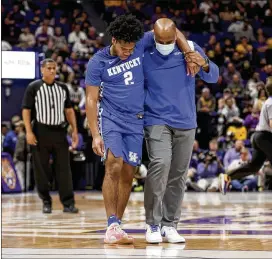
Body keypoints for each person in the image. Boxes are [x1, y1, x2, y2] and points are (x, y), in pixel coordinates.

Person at [85, 14, 199, 245]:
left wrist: (188, 52)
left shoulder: (141, 42)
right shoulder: (98, 62)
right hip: (112, 118)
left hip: (137, 119)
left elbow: (172, 31)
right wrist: (95, 134)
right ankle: (112, 223)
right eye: (125, 48)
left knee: (129, 171)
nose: (129, 51)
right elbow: (91, 99)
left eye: (132, 48)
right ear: (114, 40)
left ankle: (118, 224)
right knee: (113, 164)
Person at [143, 18, 219, 243]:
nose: (164, 44)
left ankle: (170, 224)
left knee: (178, 175)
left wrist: (203, 63)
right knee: (160, 165)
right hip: (156, 119)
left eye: (169, 39)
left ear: (177, 35)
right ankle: (153, 225)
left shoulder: (192, 48)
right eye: (160, 40)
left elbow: (213, 75)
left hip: (186, 121)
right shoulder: (145, 51)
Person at [22, 58, 79, 214]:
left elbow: (69, 111)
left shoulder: (62, 88)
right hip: (41, 131)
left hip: (59, 132)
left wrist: (74, 130)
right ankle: (46, 201)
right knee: (42, 169)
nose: (52, 71)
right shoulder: (33, 87)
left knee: (64, 169)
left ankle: (68, 203)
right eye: (49, 68)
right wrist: (28, 131)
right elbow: (26, 110)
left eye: (54, 68)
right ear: (42, 70)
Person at [220, 77, 272, 194]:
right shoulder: (271, 103)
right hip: (264, 136)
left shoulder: (268, 101)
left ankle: (226, 177)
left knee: (253, 167)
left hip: (258, 136)